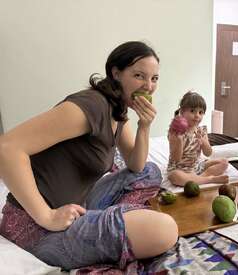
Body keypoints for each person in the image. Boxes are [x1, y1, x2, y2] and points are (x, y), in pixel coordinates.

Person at [0, 41, 178, 270]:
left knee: (149, 171)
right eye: (139, 76)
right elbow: (7, 148)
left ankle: (107, 220)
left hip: (76, 205)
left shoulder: (118, 111)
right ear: (116, 73)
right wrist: (47, 216)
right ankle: (110, 222)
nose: (149, 86)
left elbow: (136, 165)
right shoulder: (92, 105)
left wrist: (144, 126)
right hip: (33, 227)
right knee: (164, 230)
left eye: (154, 78)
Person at [167, 91, 229, 186]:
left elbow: (208, 153)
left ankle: (199, 179)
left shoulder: (202, 130)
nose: (197, 115)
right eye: (192, 111)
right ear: (182, 112)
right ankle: (209, 179)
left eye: (201, 112)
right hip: (180, 169)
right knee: (174, 176)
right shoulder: (175, 132)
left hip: (197, 166)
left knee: (224, 162)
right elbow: (176, 159)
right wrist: (179, 141)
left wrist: (203, 142)